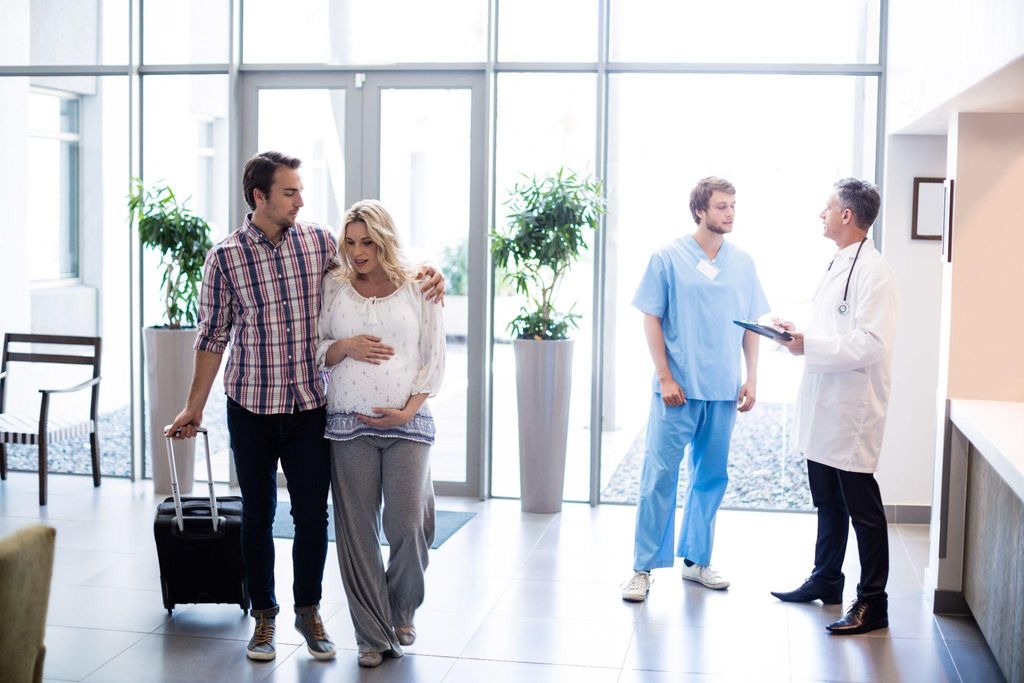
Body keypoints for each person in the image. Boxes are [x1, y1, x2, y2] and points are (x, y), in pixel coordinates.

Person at [165, 152, 444, 662]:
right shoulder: (224, 258)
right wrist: (193, 407)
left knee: (313, 517)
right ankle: (265, 616)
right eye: (290, 192)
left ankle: (309, 610)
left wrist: (430, 272)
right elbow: (211, 337)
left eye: (299, 191)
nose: (300, 200)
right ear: (259, 197)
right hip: (250, 406)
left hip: (310, 406)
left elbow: (378, 267)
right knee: (257, 513)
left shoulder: (318, 243)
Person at [622, 177, 769, 602]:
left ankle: (697, 561)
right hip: (678, 390)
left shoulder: (743, 262)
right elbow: (651, 317)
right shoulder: (667, 257)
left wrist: (752, 376)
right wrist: (665, 376)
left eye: (733, 206)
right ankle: (642, 568)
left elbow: (750, 323)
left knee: (710, 478)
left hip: (722, 389)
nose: (730, 213)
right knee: (659, 477)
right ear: (700, 211)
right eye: (722, 206)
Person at [315, 200, 445, 668]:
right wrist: (343, 347)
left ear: (384, 239)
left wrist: (407, 409)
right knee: (356, 534)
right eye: (350, 242)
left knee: (408, 525)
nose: (357, 252)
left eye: (367, 242)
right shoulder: (334, 285)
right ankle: (371, 634)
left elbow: (434, 355)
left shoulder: (418, 285)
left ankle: (401, 607)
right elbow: (314, 349)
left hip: (407, 423)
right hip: (348, 425)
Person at [770, 178, 897, 636]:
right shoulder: (841, 262)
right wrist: (797, 332)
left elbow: (871, 342)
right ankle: (827, 579)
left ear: (847, 215)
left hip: (852, 410)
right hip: (827, 402)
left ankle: (873, 602)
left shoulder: (874, 271)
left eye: (826, 208)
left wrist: (812, 346)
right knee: (827, 500)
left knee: (863, 510)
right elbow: (834, 324)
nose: (820, 215)